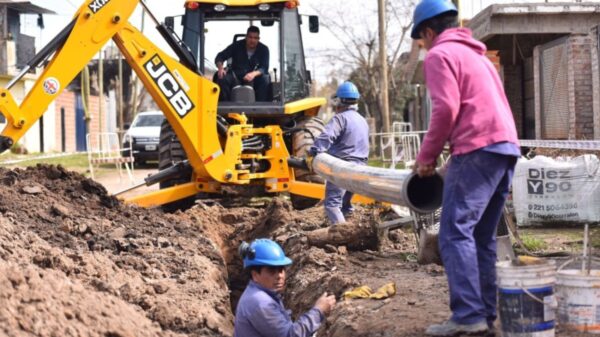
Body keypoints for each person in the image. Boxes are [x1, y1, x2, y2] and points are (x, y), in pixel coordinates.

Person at [410, 1, 520, 336]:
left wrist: (426, 157)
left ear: (429, 31)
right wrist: (454, 157)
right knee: (483, 235)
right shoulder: (478, 57)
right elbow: (481, 108)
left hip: (478, 148)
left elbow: (445, 109)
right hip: (504, 149)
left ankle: (469, 314)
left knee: (455, 232)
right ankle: (484, 315)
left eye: (421, 39)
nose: (423, 46)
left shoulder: (440, 55)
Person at [234, 239, 336, 337]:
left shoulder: (262, 294)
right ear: (255, 275)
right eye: (272, 271)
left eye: (281, 269)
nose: (279, 276)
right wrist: (319, 310)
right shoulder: (260, 303)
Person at [308, 81, 369, 224]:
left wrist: (313, 153)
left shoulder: (340, 118)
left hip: (342, 168)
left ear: (340, 101)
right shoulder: (362, 120)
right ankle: (353, 230)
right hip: (360, 168)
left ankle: (343, 236)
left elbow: (326, 137)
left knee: (332, 205)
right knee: (346, 204)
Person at [214, 26, 270, 102]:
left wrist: (253, 74)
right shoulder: (236, 46)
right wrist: (220, 68)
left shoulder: (264, 49)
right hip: (236, 76)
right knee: (222, 78)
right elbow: (220, 56)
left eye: (255, 38)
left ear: (258, 39)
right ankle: (225, 106)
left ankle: (261, 107)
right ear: (246, 37)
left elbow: (264, 67)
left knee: (265, 79)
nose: (252, 40)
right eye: (250, 37)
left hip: (254, 78)